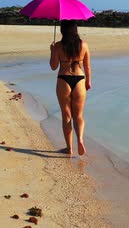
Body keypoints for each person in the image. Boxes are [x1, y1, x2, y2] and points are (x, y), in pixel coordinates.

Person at [49, 20, 91, 156]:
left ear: (62, 30)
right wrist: (88, 81)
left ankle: (69, 148)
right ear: (75, 29)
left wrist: (52, 51)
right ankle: (80, 140)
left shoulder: (58, 46)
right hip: (79, 79)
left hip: (63, 79)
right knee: (78, 116)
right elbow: (87, 66)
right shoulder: (83, 45)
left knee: (66, 115)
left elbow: (53, 66)